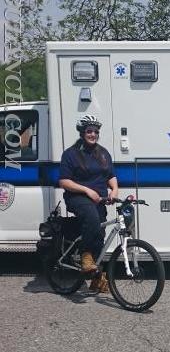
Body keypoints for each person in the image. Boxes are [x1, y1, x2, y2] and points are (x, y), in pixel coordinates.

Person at [59, 115, 118, 293]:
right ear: (82, 132)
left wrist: (114, 190)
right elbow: (64, 181)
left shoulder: (103, 153)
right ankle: (85, 257)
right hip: (77, 197)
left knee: (99, 234)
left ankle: (96, 277)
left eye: (96, 132)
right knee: (91, 217)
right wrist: (86, 190)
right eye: (89, 131)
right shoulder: (71, 154)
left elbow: (111, 176)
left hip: (99, 199)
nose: (93, 134)